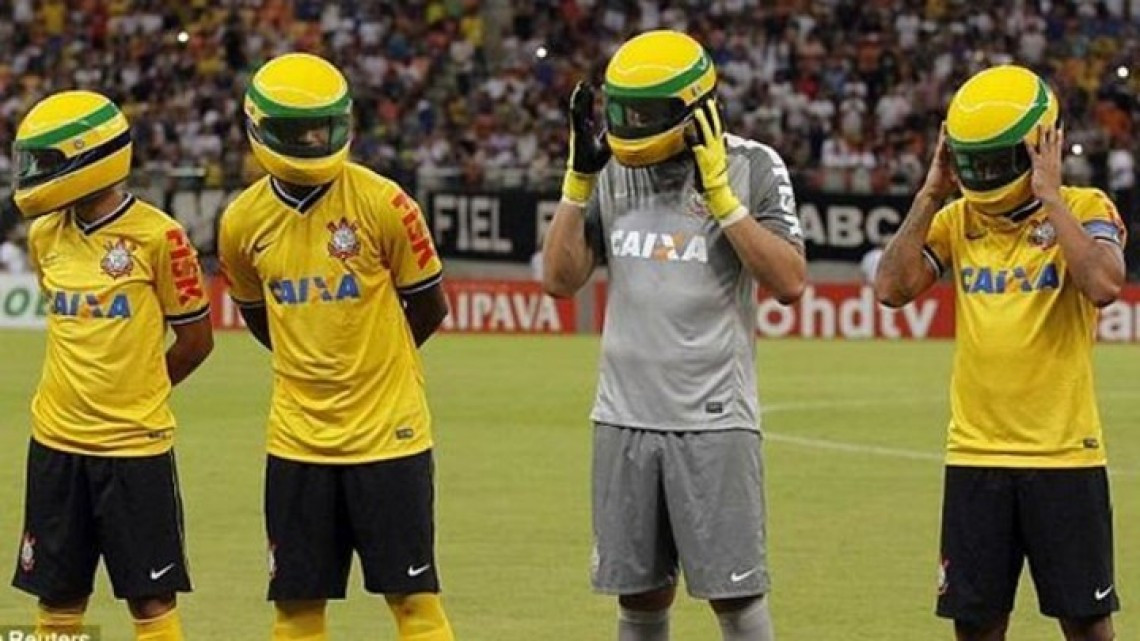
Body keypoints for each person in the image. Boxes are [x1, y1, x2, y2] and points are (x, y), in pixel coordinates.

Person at [543, 30, 806, 641]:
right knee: (637, 596)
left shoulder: (752, 164)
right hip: (623, 415)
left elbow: (790, 280)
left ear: (695, 107)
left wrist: (723, 199)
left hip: (713, 418)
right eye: (623, 112)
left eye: (647, 114)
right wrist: (577, 183)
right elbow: (560, 280)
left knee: (734, 597)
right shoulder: (609, 165)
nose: (631, 126)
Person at [875, 65, 1125, 641]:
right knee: (976, 625)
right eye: (972, 163)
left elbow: (1104, 285)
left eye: (994, 163)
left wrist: (1050, 197)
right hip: (975, 454)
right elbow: (891, 288)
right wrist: (931, 190)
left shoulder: (1086, 207)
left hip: (1064, 454)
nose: (981, 177)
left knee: (1087, 625)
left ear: (1042, 145)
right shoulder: (959, 218)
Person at [217, 53, 453, 641]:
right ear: (261, 128)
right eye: (300, 130)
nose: (314, 140)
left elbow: (428, 304)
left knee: (415, 603)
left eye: (323, 127)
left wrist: (376, 361)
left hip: (389, 434)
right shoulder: (242, 221)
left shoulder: (385, 203)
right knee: (296, 611)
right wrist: (308, 359)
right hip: (297, 440)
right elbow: (256, 314)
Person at [9, 90, 214, 641]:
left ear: (88, 157)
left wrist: (140, 390)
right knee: (58, 595)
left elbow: (196, 339)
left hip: (133, 446)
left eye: (48, 162)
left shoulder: (160, 236)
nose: (34, 176)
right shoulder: (44, 235)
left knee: (150, 599)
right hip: (55, 441)